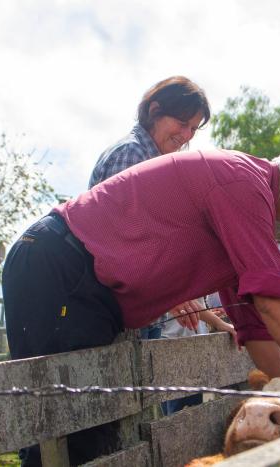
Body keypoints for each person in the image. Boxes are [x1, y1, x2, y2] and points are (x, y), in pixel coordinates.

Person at [2, 143, 280, 465]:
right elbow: (275, 304)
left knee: (93, 426)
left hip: (88, 287)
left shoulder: (248, 210)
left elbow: (256, 325)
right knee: (61, 427)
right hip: (61, 267)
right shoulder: (243, 183)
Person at [88, 76, 224, 339]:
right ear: (154, 111)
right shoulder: (132, 155)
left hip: (140, 305)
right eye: (182, 123)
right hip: (113, 303)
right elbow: (120, 241)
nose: (186, 136)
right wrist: (167, 296)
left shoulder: (155, 161)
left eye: (194, 129)